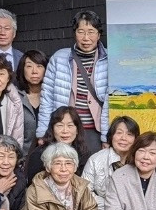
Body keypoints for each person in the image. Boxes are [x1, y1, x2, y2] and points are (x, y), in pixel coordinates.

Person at [39, 10, 108, 155]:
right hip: (64, 130)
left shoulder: (108, 60)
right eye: (81, 31)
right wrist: (42, 132)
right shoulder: (59, 58)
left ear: (99, 34)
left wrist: (106, 136)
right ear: (74, 33)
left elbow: (110, 100)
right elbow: (47, 98)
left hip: (93, 131)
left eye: (91, 32)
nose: (86, 37)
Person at [81, 115, 139, 210]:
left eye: (129, 134)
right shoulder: (96, 159)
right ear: (111, 136)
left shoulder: (142, 160)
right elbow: (85, 192)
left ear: (136, 139)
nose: (123, 138)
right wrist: (110, 207)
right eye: (119, 133)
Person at [27, 106, 91, 184]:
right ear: (52, 129)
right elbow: (33, 183)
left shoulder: (83, 153)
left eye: (70, 125)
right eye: (60, 125)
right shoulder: (39, 154)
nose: (65, 131)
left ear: (77, 130)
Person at [17, 49, 47, 145]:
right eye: (29, 66)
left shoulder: (52, 97)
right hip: (22, 155)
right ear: (22, 69)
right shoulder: (15, 97)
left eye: (39, 66)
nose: (34, 71)